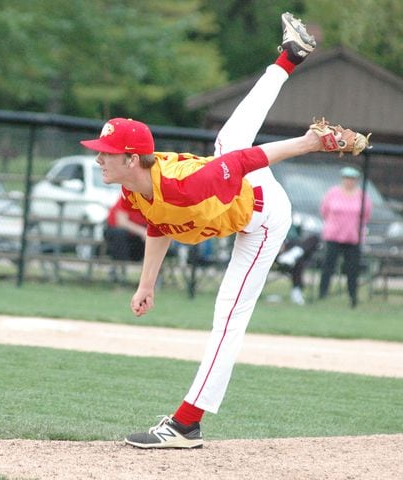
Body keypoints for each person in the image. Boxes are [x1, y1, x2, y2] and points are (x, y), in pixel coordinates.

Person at [79, 12, 327, 449]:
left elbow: (249, 160)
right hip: (237, 192)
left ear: (132, 159)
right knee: (228, 142)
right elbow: (158, 226)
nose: (99, 159)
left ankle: (185, 425)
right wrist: (147, 284)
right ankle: (289, 59)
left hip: (264, 217)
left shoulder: (184, 184)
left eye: (107, 153)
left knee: (228, 316)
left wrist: (308, 143)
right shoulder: (138, 188)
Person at [317, 166, 372, 308]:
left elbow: (366, 215)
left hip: (353, 237)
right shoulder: (333, 193)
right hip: (333, 236)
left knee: (352, 269)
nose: (349, 181)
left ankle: (352, 297)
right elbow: (324, 211)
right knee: (328, 266)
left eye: (352, 179)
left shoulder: (362, 196)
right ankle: (322, 294)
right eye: (347, 178)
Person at [275, 222, 320, 305]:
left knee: (314, 239)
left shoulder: (291, 223)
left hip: (294, 248)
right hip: (280, 252)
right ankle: (296, 290)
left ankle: (294, 254)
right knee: (298, 259)